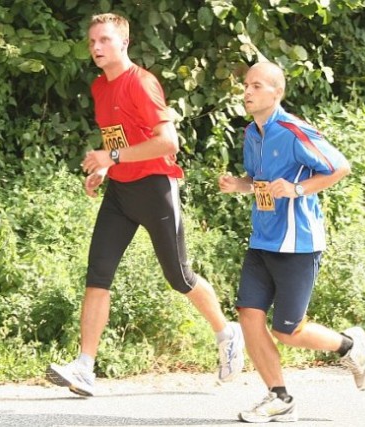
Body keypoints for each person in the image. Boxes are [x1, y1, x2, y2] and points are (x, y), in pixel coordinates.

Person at [45, 12, 244, 397]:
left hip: (155, 188)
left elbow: (169, 143)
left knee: (180, 278)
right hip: (120, 193)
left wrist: (111, 158)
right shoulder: (100, 88)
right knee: (97, 276)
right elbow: (120, 139)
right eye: (92, 42)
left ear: (124, 43)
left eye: (104, 40)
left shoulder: (142, 83)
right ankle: (85, 367)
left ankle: (226, 332)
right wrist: (105, 167)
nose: (96, 48)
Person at [218, 62, 365, 423]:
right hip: (262, 240)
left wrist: (298, 189)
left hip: (297, 243)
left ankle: (349, 345)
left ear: (277, 93)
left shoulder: (293, 130)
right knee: (248, 316)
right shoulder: (251, 133)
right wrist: (240, 186)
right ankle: (279, 397)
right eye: (246, 85)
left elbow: (340, 166)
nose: (248, 91)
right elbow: (260, 181)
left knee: (288, 331)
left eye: (257, 86)